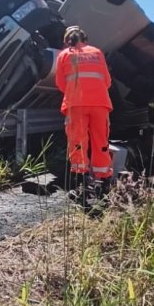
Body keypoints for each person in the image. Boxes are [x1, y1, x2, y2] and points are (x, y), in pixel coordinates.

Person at [54, 25, 113, 199]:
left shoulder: (64, 55)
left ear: (67, 40)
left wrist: (75, 90)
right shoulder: (97, 53)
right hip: (100, 104)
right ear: (84, 38)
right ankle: (103, 186)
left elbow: (60, 84)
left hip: (76, 104)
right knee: (100, 142)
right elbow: (107, 81)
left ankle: (81, 187)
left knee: (78, 143)